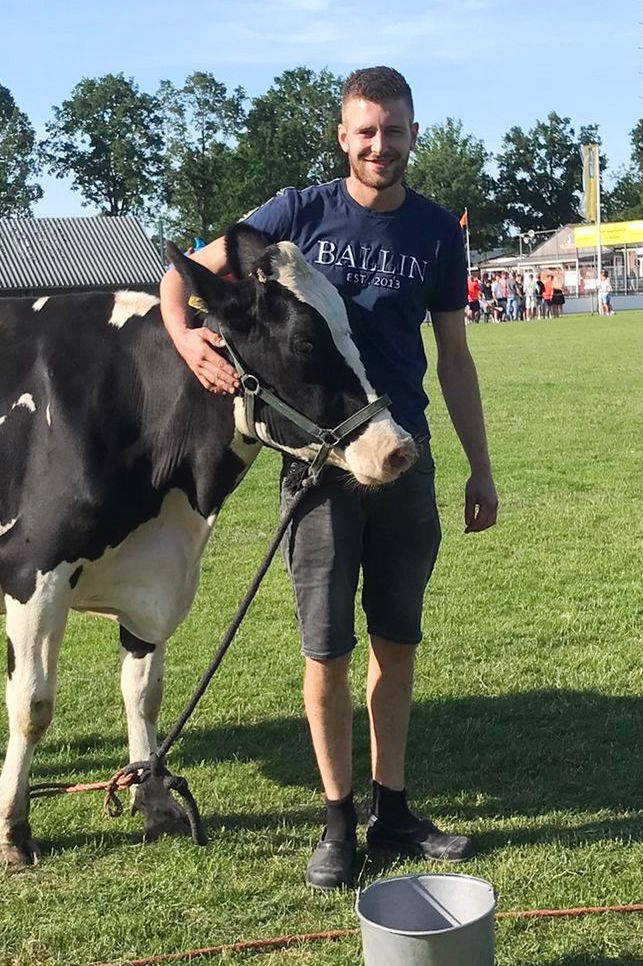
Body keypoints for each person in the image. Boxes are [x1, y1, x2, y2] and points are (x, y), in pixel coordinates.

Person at [158, 65, 499, 891]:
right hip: (318, 467)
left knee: (396, 642)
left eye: (395, 130)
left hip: (401, 455)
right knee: (326, 649)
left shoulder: (434, 231)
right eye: (366, 131)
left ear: (413, 134)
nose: (381, 145)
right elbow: (181, 274)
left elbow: (454, 358)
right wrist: (186, 337)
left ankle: (394, 809)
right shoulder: (296, 213)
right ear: (343, 137)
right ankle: (337, 820)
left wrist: (480, 466)